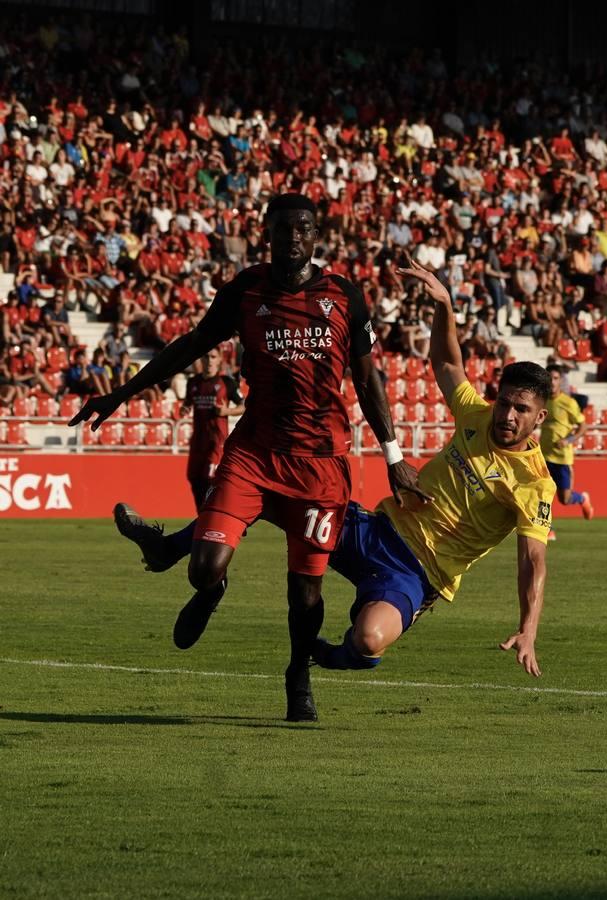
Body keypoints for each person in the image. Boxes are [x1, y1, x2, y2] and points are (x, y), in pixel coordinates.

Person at [114, 255, 557, 680]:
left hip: (418, 574)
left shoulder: (534, 483)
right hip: (374, 531)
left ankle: (321, 655)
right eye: (504, 403)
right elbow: (446, 363)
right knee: (271, 494)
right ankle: (170, 548)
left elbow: (533, 561)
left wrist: (529, 628)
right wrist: (444, 305)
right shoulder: (477, 415)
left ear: (539, 417)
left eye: (520, 409)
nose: (507, 416)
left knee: (368, 639)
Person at [71, 193, 426, 722]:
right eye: (283, 228)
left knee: (305, 594)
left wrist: (393, 454)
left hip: (320, 465)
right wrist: (121, 394)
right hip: (254, 454)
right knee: (204, 569)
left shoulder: (344, 296)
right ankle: (209, 587)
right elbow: (189, 346)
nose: (294, 237)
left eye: (303, 228)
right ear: (267, 233)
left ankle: (298, 674)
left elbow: (368, 379)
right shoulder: (245, 291)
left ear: (316, 235)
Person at [181, 348, 245, 509]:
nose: (209, 360)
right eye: (206, 357)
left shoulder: (227, 382)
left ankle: (217, 513)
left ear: (219, 360)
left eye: (213, 357)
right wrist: (184, 409)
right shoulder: (193, 382)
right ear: (201, 360)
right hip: (198, 440)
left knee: (209, 479)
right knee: (194, 477)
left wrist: (227, 411)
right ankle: (202, 515)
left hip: (217, 441)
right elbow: (187, 404)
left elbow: (244, 405)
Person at [540, 363, 594, 540]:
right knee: (541, 493)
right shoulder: (541, 400)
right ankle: (548, 529)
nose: (552, 382)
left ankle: (582, 499)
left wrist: (568, 440)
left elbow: (583, 426)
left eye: (555, 378)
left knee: (564, 499)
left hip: (562, 459)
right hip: (543, 456)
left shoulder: (568, 403)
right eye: (549, 378)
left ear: (560, 381)